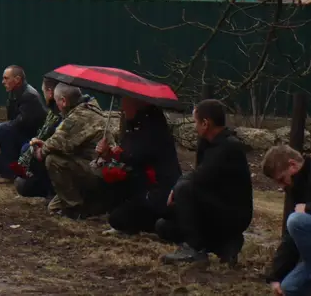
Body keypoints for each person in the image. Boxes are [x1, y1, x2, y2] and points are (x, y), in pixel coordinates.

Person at [159, 99, 253, 265]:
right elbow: (200, 177)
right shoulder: (208, 144)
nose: (195, 127)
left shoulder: (229, 147)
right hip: (212, 206)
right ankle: (225, 245)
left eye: (196, 122)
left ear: (205, 123)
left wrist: (176, 188)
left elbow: (199, 177)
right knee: (164, 226)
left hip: (231, 212)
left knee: (183, 189)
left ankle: (194, 248)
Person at [100, 99, 181, 234]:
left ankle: (151, 223)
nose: (122, 108)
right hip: (144, 184)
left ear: (138, 105)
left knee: (118, 219)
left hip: (159, 191)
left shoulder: (153, 129)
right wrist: (109, 154)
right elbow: (127, 151)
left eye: (125, 103)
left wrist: (113, 154)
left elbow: (136, 155)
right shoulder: (136, 125)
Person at [32, 84, 106, 218]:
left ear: (64, 101)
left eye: (57, 101)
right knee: (53, 208)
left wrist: (39, 151)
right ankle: (86, 203)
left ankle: (75, 208)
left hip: (96, 171)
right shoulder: (89, 108)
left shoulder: (79, 116)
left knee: (52, 160)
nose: (57, 105)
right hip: (92, 165)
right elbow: (63, 142)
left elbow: (56, 141)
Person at [263, 146, 311, 295]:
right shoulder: (297, 187)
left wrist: (309, 209)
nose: (283, 186)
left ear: (293, 164)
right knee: (289, 287)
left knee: (297, 220)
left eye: (282, 179)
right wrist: (276, 275)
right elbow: (290, 237)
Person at [0, 66, 46, 180]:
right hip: (17, 140)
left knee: (3, 128)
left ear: (17, 79)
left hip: (31, 140)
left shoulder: (29, 96)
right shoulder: (13, 94)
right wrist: (0, 143)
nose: (3, 82)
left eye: (6, 78)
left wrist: (3, 136)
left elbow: (19, 124)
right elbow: (12, 122)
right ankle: (13, 168)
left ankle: (9, 173)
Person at [14, 79, 62, 198]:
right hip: (51, 151)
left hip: (62, 161)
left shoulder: (64, 114)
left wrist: (40, 148)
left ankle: (52, 192)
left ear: (50, 92)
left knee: (30, 150)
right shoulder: (53, 111)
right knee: (22, 184)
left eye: (44, 91)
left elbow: (59, 143)